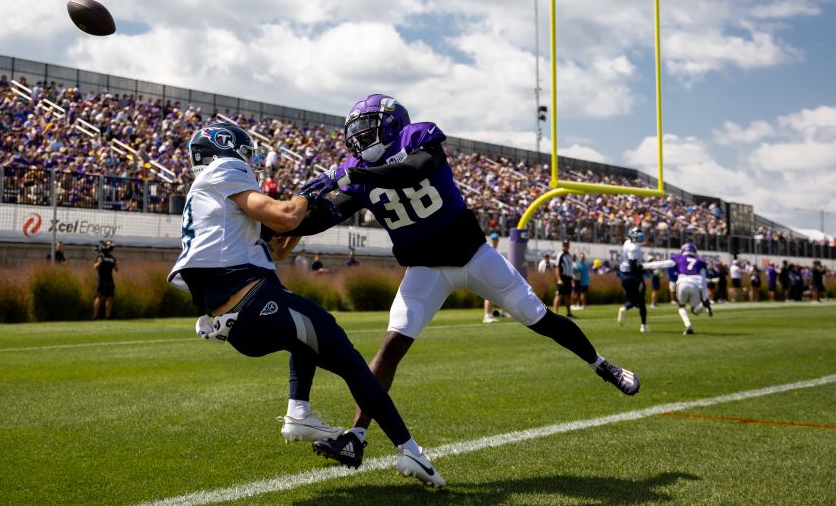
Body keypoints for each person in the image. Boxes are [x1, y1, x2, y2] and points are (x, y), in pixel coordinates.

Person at [274, 94, 639, 468]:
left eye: (368, 131)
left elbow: (415, 169)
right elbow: (329, 214)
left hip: (475, 257)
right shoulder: (359, 174)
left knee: (540, 318)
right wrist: (282, 217)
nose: (360, 141)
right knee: (391, 347)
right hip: (425, 270)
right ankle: (356, 438)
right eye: (357, 135)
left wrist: (353, 175)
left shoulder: (417, 140)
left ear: (392, 125)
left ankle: (602, 365)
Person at [167, 121, 445, 486]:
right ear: (226, 148)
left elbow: (279, 245)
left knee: (308, 330)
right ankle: (410, 451)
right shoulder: (225, 170)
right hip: (251, 301)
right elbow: (286, 215)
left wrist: (305, 209)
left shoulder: (211, 198)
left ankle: (299, 410)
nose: (249, 162)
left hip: (238, 321)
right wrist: (306, 193)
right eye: (246, 154)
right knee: (350, 360)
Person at [644, 242, 708, 335]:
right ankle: (703, 305)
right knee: (694, 311)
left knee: (681, 306)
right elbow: (703, 280)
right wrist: (705, 297)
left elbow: (661, 264)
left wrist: (643, 265)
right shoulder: (700, 262)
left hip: (682, 283)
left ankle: (688, 325)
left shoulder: (678, 258)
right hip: (695, 285)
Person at [616, 226, 651, 333]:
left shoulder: (626, 243)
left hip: (623, 275)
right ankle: (643, 325)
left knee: (633, 300)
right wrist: (644, 271)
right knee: (640, 301)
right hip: (633, 276)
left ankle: (626, 307)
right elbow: (632, 265)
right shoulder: (634, 248)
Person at [481, 232, 505, 323]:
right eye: (493, 239)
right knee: (488, 296)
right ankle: (487, 316)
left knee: (491, 296)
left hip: (494, 276)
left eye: (496, 240)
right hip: (488, 276)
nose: (495, 241)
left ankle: (489, 315)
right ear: (491, 240)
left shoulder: (496, 251)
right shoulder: (488, 249)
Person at [92, 238, 117, 320]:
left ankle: (107, 316)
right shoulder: (100, 256)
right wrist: (99, 262)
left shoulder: (112, 258)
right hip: (101, 280)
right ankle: (95, 316)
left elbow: (116, 269)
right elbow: (95, 267)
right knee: (99, 297)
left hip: (110, 280)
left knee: (110, 298)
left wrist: (116, 264)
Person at [553, 240, 575, 318]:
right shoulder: (560, 255)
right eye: (564, 245)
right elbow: (557, 267)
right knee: (559, 294)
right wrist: (559, 279)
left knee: (568, 295)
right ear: (563, 246)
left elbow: (570, 268)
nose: (566, 246)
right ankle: (555, 313)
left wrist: (572, 279)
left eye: (567, 245)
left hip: (568, 277)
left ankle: (569, 312)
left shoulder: (569, 255)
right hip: (562, 277)